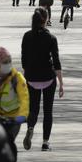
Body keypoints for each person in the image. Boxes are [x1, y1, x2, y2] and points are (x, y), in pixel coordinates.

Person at [21, 8, 64, 152]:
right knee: (48, 110)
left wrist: (27, 74)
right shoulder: (51, 38)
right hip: (48, 77)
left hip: (32, 77)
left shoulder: (27, 36)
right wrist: (61, 83)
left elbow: (23, 60)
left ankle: (31, 127)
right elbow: (56, 62)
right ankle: (45, 143)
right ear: (45, 20)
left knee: (33, 108)